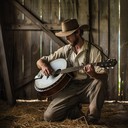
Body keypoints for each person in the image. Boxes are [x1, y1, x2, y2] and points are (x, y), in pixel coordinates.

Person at [36, 19, 108, 124]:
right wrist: (43, 66)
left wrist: (94, 74)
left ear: (78, 32)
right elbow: (40, 61)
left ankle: (92, 118)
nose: (67, 38)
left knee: (100, 82)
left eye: (69, 35)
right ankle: (74, 111)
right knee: (49, 116)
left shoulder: (95, 50)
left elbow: (104, 77)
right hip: (70, 87)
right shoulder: (66, 50)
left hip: (89, 87)